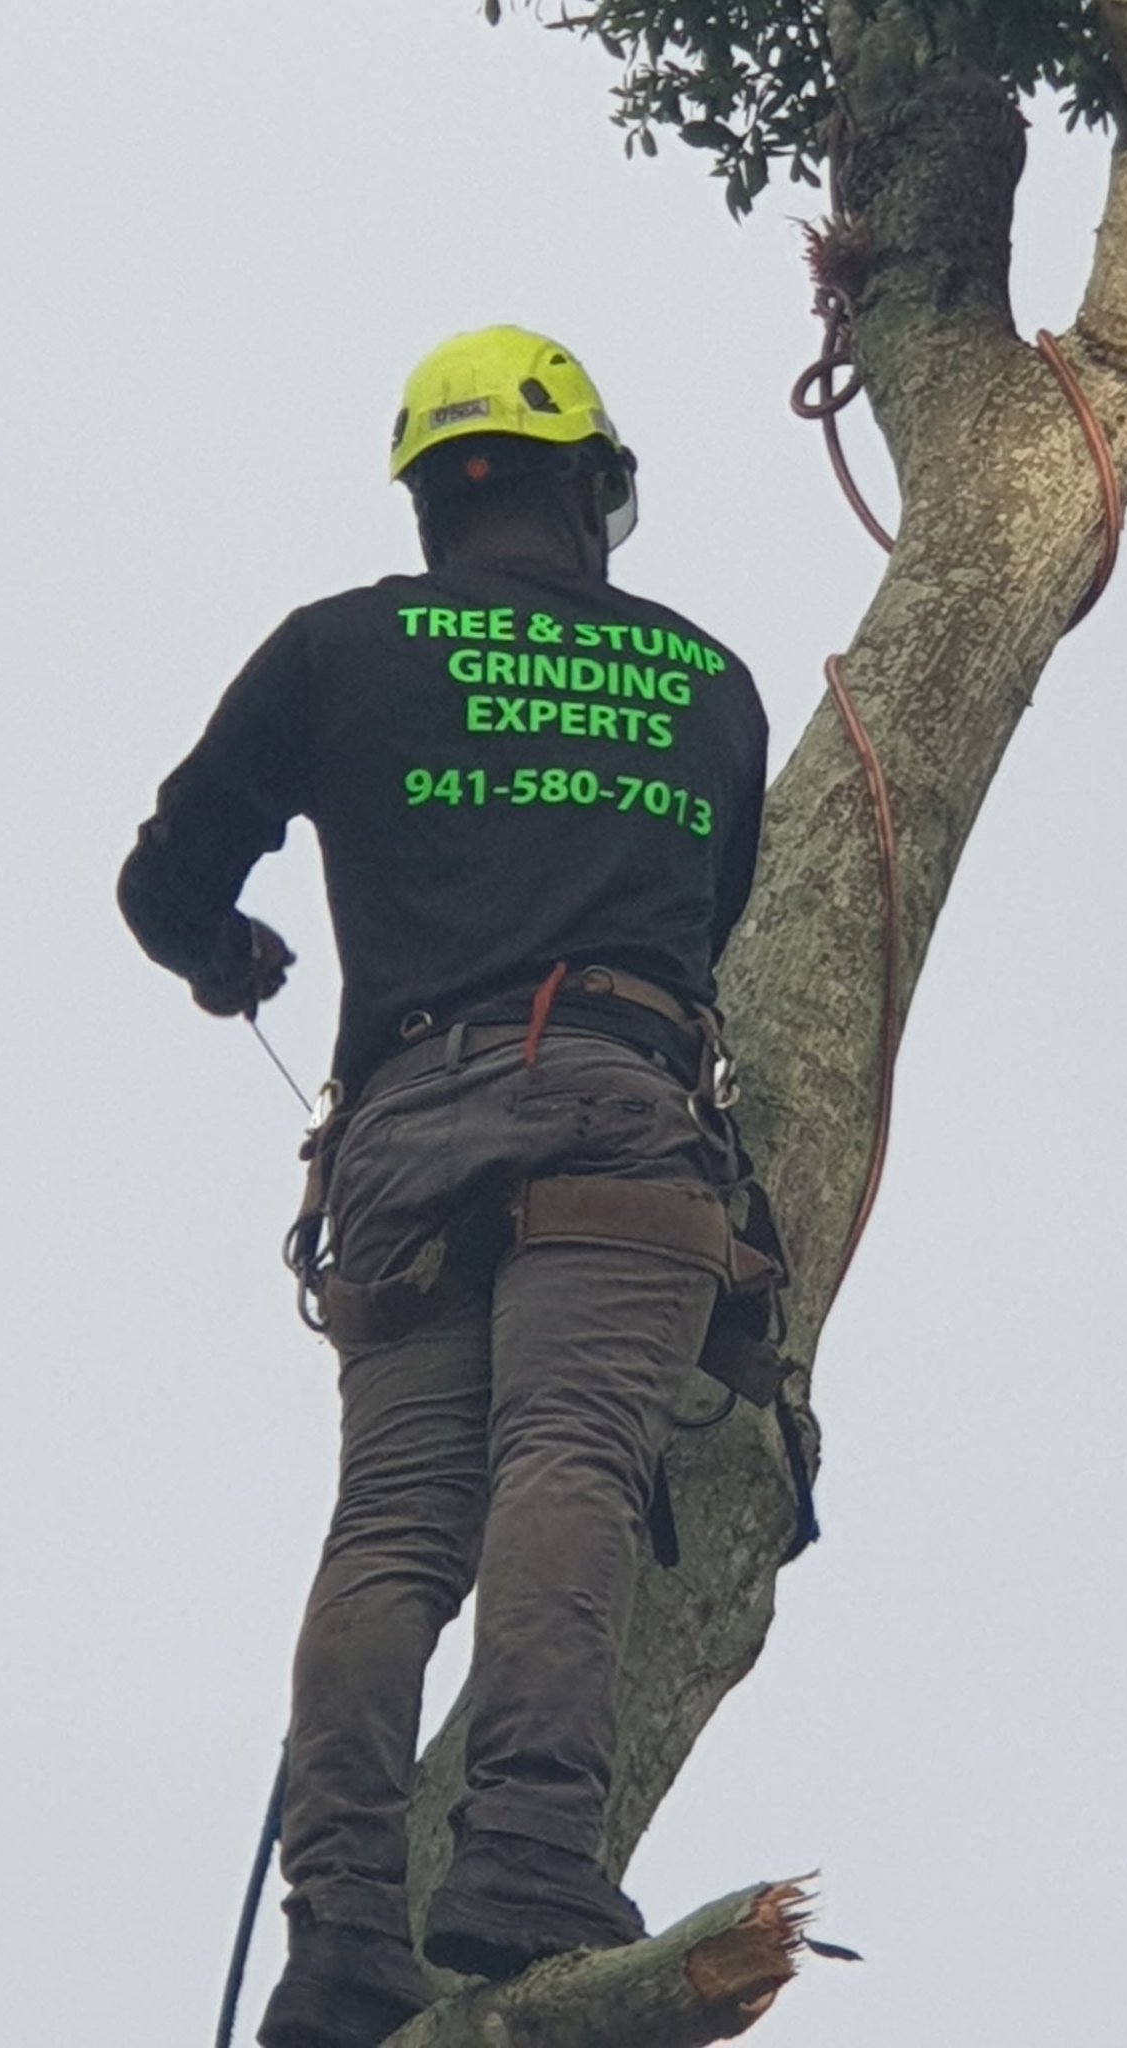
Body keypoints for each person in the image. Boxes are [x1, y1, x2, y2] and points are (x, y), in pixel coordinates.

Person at [119, 327, 771, 2048]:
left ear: (430, 501)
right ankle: (528, 1851)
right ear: (591, 487)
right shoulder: (706, 686)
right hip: (618, 1123)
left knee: (395, 1531)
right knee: (568, 1455)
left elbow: (170, 873)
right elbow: (714, 933)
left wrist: (223, 950)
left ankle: (340, 1935)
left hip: (404, 1136)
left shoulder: (337, 650)